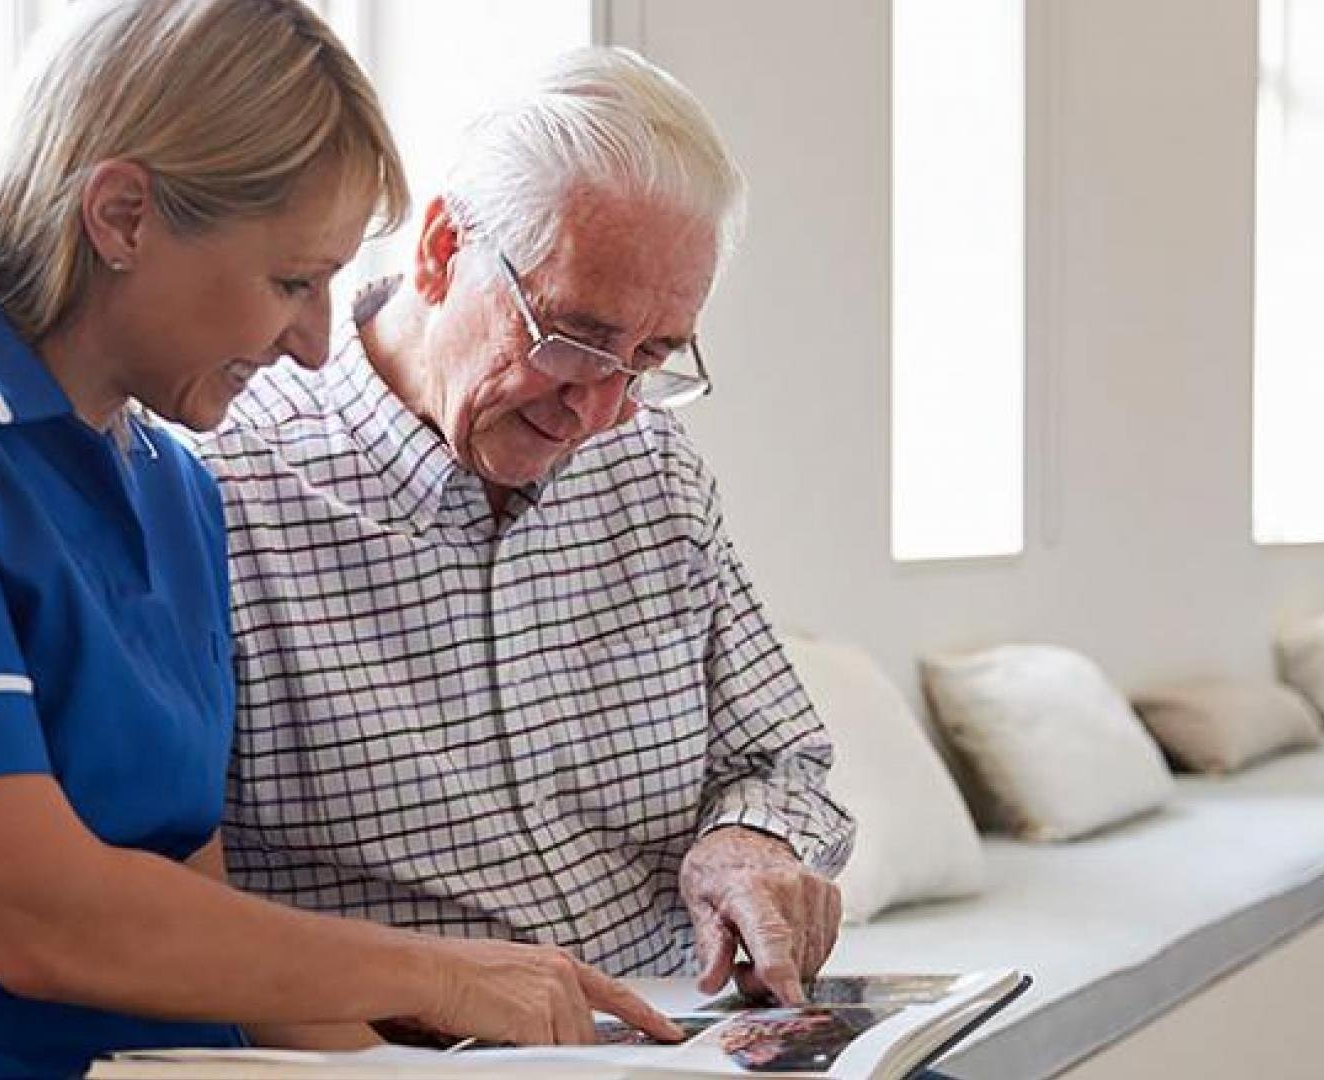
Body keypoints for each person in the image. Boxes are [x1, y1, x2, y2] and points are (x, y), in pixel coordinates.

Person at [0, 4, 677, 1077]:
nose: (315, 340)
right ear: (123, 216)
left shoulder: (176, 493)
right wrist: (440, 974)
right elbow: (39, 920)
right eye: (293, 281)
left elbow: (206, 937)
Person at [200, 46, 855, 1009]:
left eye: (651, 356)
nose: (601, 408)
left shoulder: (656, 473)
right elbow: (167, 900)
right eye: (576, 336)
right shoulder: (228, 490)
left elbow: (782, 754)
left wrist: (748, 843)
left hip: (679, 1029)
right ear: (440, 252)